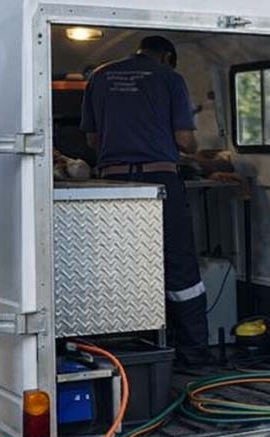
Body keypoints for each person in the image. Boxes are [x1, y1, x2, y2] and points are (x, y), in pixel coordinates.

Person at [81, 35, 210, 366]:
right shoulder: (170, 78)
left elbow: (93, 139)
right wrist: (195, 149)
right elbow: (185, 140)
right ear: (167, 57)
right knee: (180, 266)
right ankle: (193, 355)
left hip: (112, 185)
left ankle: (118, 352)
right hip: (159, 181)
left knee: (118, 267)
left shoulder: (98, 76)